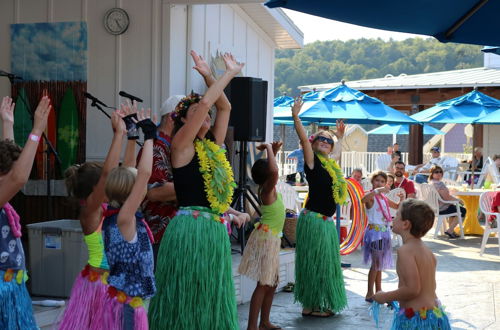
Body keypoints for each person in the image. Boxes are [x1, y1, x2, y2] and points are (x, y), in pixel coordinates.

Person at [148, 52, 245, 329]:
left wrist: (208, 75)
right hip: (190, 229)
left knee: (210, 292)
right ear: (183, 121)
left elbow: (222, 108)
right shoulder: (181, 145)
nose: (205, 116)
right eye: (196, 115)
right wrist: (228, 75)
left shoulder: (212, 145)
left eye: (205, 116)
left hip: (214, 230)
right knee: (185, 292)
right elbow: (205, 103)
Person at [59, 103, 137, 329]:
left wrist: (131, 134)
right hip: (99, 286)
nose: (111, 184)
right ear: (94, 189)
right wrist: (118, 135)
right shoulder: (90, 211)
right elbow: (107, 175)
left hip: (114, 281)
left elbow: (127, 172)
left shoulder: (107, 207)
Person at [291, 96, 348, 317]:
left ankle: (312, 304)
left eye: (329, 140)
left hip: (324, 222)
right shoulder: (312, 162)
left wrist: (340, 137)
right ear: (314, 145)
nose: (325, 141)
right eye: (321, 139)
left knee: (321, 264)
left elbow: (337, 154)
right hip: (314, 221)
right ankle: (310, 304)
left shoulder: (330, 165)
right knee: (314, 263)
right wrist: (296, 117)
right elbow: (304, 141)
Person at [101, 108, 157, 329]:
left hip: (130, 300)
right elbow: (142, 175)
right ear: (132, 193)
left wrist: (132, 136)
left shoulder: (119, 214)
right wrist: (150, 137)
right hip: (127, 305)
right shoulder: (125, 219)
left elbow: (131, 173)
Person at [0, 95, 51, 329]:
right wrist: (37, 130)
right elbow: (18, 176)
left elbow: (9, 163)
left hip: (11, 284)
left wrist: (7, 124)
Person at [373, 199, 452, 330]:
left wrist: (384, 296)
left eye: (397, 215)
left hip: (416, 320)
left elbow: (412, 289)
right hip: (434, 316)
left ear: (405, 224)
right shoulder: (428, 252)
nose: (393, 217)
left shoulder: (405, 251)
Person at [238, 142, 285, 330]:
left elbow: (272, 170)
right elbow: (273, 171)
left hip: (272, 239)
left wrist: (272, 152)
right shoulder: (266, 190)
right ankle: (252, 326)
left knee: (272, 283)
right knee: (264, 283)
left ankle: (264, 322)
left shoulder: (268, 187)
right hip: (267, 240)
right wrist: (267, 149)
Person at [137, 94, 182, 265]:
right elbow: (153, 192)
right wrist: (196, 188)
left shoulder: (172, 144)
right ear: (173, 118)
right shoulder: (157, 146)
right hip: (160, 235)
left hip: (174, 232)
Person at [361, 171, 402, 302]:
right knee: (376, 263)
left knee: (380, 264)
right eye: (377, 181)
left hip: (384, 233)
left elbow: (396, 207)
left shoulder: (384, 198)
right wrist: (377, 191)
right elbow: (363, 200)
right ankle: (369, 292)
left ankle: (379, 291)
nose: (380, 183)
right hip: (375, 234)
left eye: (382, 182)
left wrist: (401, 199)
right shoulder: (372, 197)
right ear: (372, 182)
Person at [429, 165, 466, 239]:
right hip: (442, 208)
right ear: (432, 174)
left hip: (434, 208)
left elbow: (443, 195)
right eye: (436, 172)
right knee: (463, 210)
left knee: (454, 209)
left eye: (440, 172)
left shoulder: (431, 183)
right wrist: (459, 200)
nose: (439, 173)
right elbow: (447, 198)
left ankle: (451, 231)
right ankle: (450, 230)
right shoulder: (439, 184)